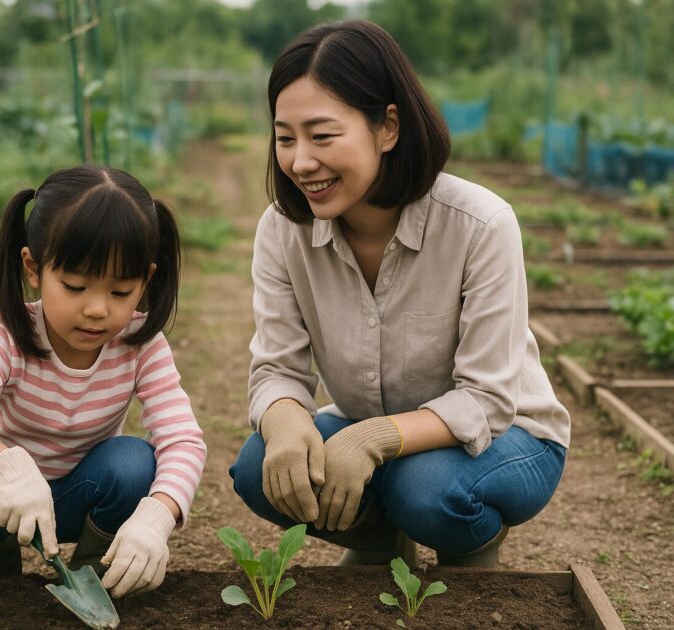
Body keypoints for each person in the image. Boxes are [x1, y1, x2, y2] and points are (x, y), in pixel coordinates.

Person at [229, 20, 570, 568]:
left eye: (322, 136)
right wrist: (289, 425)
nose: (300, 161)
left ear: (388, 127)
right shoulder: (282, 231)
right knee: (258, 466)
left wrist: (372, 440)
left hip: (507, 435)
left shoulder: (479, 224)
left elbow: (485, 399)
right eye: (285, 137)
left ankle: (471, 542)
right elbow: (277, 370)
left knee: (426, 488)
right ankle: (379, 541)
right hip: (373, 425)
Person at [0, 165, 207, 598]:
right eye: (75, 286)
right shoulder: (6, 332)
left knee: (134, 463)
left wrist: (158, 515)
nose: (97, 309)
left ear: (146, 280)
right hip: (7, 499)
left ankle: (94, 577)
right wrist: (7, 465)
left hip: (82, 491)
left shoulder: (140, 344)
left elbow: (182, 441)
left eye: (119, 292)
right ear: (34, 268)